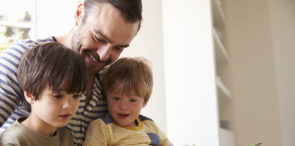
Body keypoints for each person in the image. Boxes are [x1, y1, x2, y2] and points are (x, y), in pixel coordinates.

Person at [0, 0, 142, 145]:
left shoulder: (111, 82)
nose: (104, 55)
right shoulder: (23, 57)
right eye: (98, 38)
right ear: (79, 13)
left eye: (118, 48)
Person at [0, 42, 88, 145]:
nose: (68, 105)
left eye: (76, 96)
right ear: (30, 95)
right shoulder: (15, 141)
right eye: (57, 96)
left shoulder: (66, 136)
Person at [83, 57, 171, 146]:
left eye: (132, 100)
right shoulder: (102, 127)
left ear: (144, 102)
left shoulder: (150, 126)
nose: (123, 106)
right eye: (116, 98)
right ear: (106, 97)